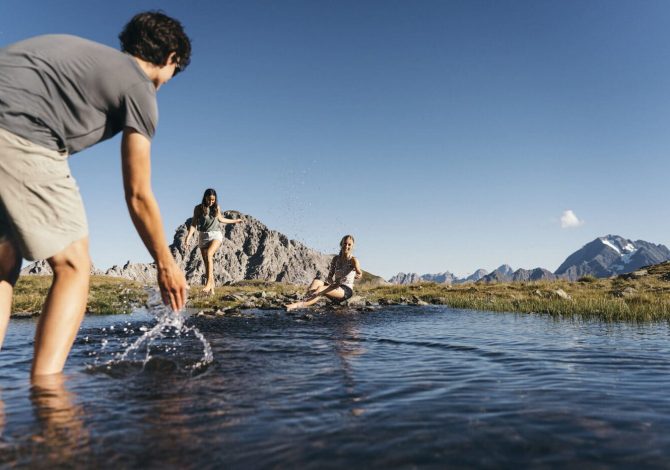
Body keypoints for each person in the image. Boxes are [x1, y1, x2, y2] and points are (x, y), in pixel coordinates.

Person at [0, 11, 191, 377]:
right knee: (73, 265)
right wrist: (166, 263)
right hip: (21, 134)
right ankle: (49, 399)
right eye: (174, 71)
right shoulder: (140, 87)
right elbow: (137, 193)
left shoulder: (76, 50)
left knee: (4, 262)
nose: (168, 81)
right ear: (169, 58)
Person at [183, 188, 243, 294]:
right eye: (209, 199)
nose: (211, 202)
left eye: (213, 200)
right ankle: (212, 289)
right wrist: (188, 238)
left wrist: (235, 221)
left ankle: (208, 284)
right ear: (205, 197)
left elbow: (221, 219)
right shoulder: (198, 208)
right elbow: (193, 224)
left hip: (215, 234)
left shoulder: (216, 207)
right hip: (203, 236)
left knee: (209, 254)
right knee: (206, 262)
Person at [285, 235, 362, 311]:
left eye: (349, 244)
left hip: (345, 291)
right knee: (317, 281)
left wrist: (359, 275)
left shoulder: (353, 260)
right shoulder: (335, 259)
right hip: (335, 288)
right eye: (345, 243)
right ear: (341, 244)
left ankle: (297, 305)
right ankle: (306, 301)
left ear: (352, 246)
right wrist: (332, 283)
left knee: (320, 289)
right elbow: (329, 277)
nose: (346, 246)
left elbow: (359, 272)